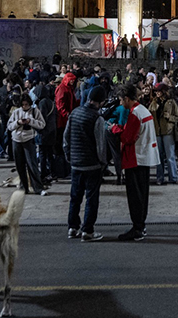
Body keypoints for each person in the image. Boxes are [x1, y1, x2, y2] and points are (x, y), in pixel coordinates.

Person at [110, 83, 160, 241]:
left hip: (135, 158)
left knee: (135, 195)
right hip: (145, 157)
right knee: (143, 194)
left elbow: (127, 138)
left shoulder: (134, 114)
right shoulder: (143, 110)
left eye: (121, 100)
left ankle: (137, 227)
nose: (120, 103)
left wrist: (115, 129)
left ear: (126, 98)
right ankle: (141, 225)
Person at [65, 86, 109, 241]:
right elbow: (100, 145)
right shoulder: (97, 118)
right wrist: (103, 163)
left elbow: (66, 138)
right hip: (92, 165)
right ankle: (88, 231)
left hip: (76, 163)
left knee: (75, 197)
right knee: (91, 198)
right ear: (101, 101)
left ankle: (72, 227)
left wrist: (69, 157)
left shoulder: (74, 113)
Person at [150, 84, 178, 185]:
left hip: (167, 131)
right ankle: (160, 177)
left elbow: (177, 117)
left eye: (159, 91)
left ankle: (174, 177)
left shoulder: (171, 102)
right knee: (159, 156)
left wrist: (169, 117)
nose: (157, 93)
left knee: (170, 155)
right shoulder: (154, 102)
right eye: (156, 91)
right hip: (157, 131)